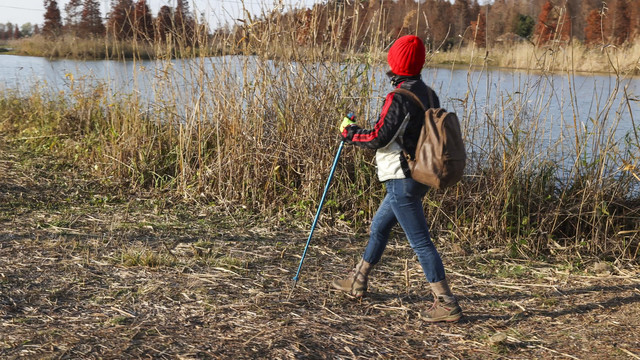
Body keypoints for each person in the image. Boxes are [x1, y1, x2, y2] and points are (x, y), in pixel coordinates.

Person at [332, 35, 462, 322]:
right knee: (378, 226)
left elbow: (379, 137)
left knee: (420, 242)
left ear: (395, 63)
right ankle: (358, 279)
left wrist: (351, 133)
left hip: (402, 177)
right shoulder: (428, 94)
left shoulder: (398, 98)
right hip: (420, 175)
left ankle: (447, 303)